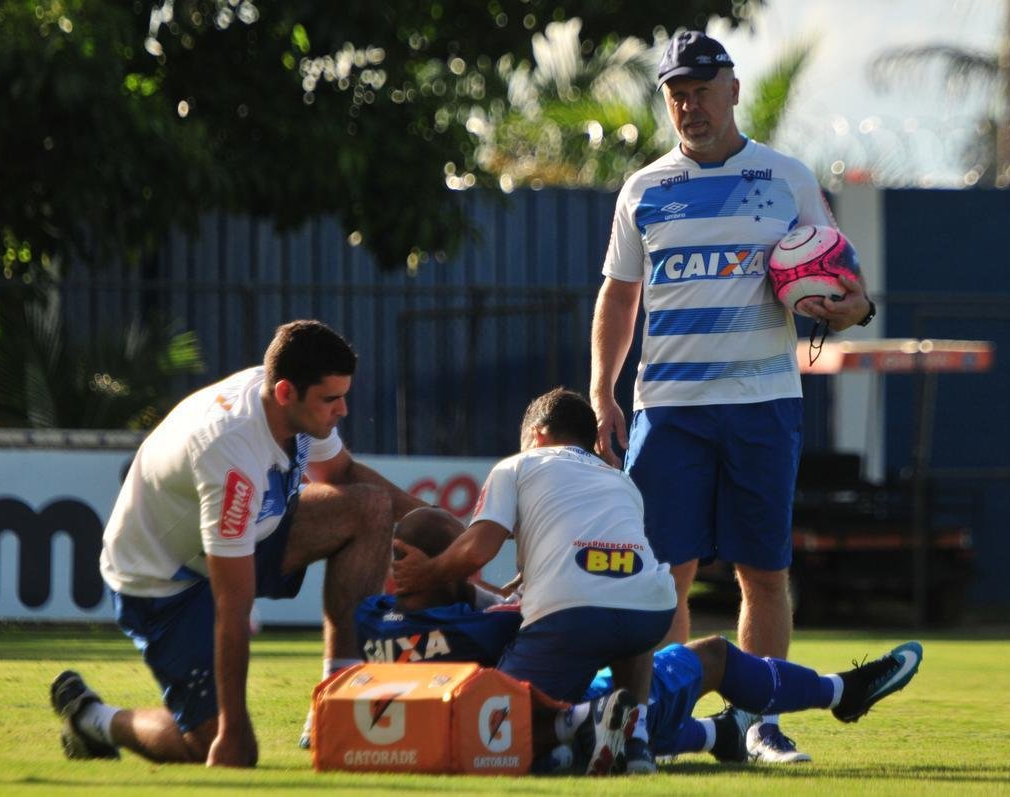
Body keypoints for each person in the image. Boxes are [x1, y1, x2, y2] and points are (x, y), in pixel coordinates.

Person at [588, 31, 876, 764]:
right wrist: (602, 388)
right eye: (677, 94)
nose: (690, 106)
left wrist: (854, 308)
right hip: (668, 408)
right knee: (664, 577)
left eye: (702, 91)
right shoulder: (643, 188)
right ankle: (659, 722)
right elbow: (619, 297)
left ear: (734, 90)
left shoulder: (787, 178)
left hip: (763, 403)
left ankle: (758, 725)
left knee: (764, 573)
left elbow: (843, 279)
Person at [49, 319, 422, 768]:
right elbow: (233, 604)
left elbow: (340, 473)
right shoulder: (230, 450)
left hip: (245, 534)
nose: (342, 410)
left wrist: (441, 524)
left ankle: (336, 703)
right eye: (331, 399)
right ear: (286, 392)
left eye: (344, 396)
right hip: (164, 584)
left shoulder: (289, 401)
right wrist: (232, 729)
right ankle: (93, 719)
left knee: (370, 507)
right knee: (211, 747)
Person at [368, 506, 923, 769]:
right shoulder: (483, 624)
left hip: (479, 737)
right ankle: (839, 692)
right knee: (710, 654)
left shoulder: (369, 618)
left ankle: (716, 735)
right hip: (556, 714)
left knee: (622, 708)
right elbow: (530, 609)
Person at [393, 388, 678, 773]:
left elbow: (477, 550)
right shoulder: (619, 480)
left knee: (483, 727)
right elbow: (593, 559)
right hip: (653, 612)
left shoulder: (517, 466)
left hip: (573, 617)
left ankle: (584, 721)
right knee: (627, 593)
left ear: (537, 434)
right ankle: (637, 740)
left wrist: (425, 572)